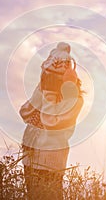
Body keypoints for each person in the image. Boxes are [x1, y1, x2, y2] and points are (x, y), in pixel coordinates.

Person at [19, 42, 84, 200]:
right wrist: (42, 88)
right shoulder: (45, 91)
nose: (46, 80)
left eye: (50, 77)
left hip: (50, 163)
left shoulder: (73, 99)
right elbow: (25, 112)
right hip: (30, 157)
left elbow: (50, 122)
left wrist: (49, 93)